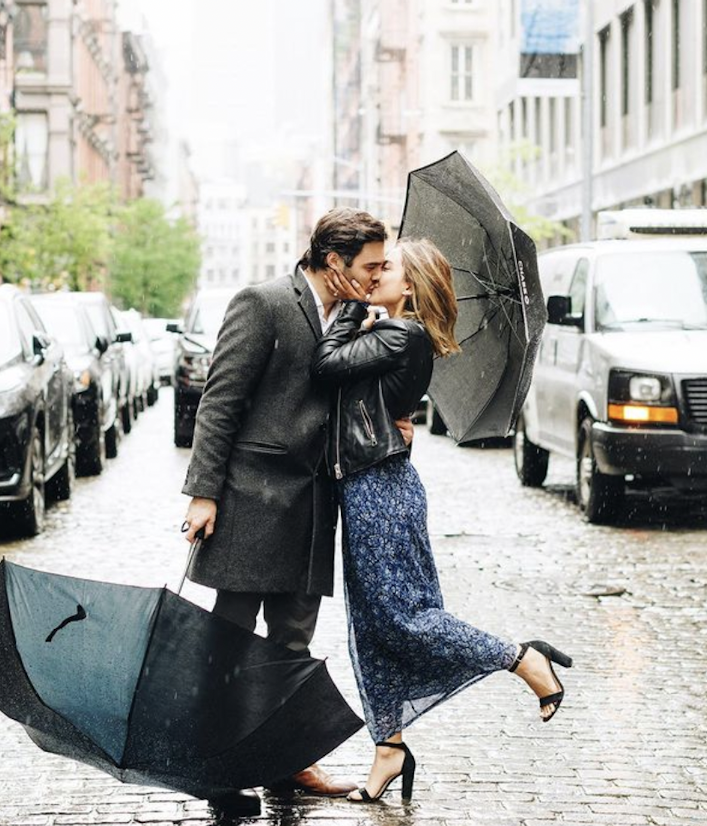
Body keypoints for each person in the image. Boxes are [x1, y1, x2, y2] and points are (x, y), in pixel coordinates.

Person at [311, 238, 573, 804]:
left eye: (387, 268)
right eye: (373, 267)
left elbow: (325, 365)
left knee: (405, 619)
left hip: (380, 491)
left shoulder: (400, 333)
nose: (375, 272)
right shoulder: (391, 333)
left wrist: (352, 304)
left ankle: (524, 659)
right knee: (370, 625)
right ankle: (389, 747)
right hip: (367, 487)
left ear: (410, 287)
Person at [180, 207, 413, 809]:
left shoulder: (361, 318)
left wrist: (393, 418)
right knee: (229, 638)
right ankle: (220, 767)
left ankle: (287, 763)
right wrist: (205, 493)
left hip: (315, 500)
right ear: (333, 263)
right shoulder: (263, 303)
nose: (378, 274)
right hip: (250, 498)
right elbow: (220, 401)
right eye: (370, 266)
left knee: (292, 641)